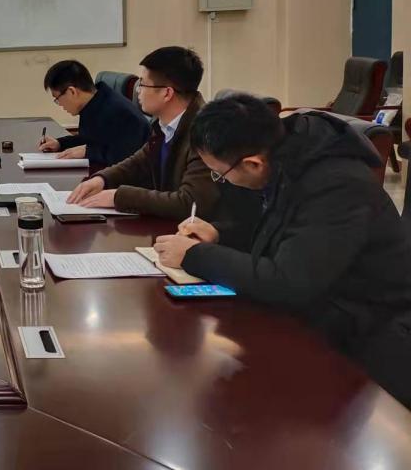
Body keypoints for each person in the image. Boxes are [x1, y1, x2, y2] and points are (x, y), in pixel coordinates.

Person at [154, 95, 411, 407]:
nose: (223, 182)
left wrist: (193, 255)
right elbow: (284, 234)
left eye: (220, 174)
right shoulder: (287, 155)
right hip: (326, 310)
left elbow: (289, 282)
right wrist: (219, 234)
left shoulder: (335, 185)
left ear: (253, 163)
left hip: (371, 332)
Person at [68, 46, 218, 220]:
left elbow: (189, 203)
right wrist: (102, 179)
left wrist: (119, 197)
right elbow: (141, 161)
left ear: (167, 93)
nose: (138, 90)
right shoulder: (164, 123)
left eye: (142, 84)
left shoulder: (206, 133)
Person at [37, 60, 149, 166]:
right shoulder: (94, 103)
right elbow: (90, 140)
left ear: (72, 92)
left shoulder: (119, 111)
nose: (60, 104)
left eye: (57, 98)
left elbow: (127, 154)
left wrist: (88, 152)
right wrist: (60, 143)